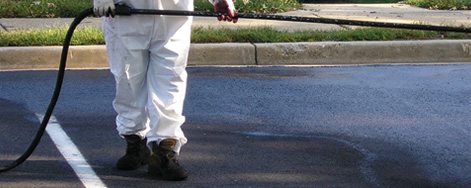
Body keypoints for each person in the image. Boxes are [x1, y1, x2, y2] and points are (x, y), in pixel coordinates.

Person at [93, 0, 237, 181]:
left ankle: (165, 151)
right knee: (127, 81)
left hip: (173, 16)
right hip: (127, 14)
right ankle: (135, 142)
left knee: (170, 81)